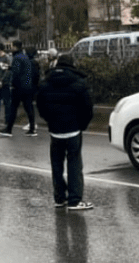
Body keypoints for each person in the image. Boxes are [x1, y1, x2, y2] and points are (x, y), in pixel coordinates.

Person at [35, 53, 94, 211]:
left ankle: (59, 198)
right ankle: (75, 200)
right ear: (72, 64)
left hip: (55, 130)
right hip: (73, 129)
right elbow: (87, 107)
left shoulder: (46, 81)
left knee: (56, 164)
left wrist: (50, 120)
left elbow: (40, 105)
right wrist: (82, 124)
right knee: (74, 164)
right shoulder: (79, 82)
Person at [0, 41, 38, 137]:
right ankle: (32, 129)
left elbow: (16, 73)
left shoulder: (16, 58)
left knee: (13, 108)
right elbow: (23, 70)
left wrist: (13, 84)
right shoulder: (25, 57)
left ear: (15, 47)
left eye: (11, 46)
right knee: (29, 108)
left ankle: (8, 129)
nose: (10, 48)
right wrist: (10, 67)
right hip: (27, 86)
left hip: (19, 87)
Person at [0, 44, 12, 124]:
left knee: (6, 102)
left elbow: (7, 71)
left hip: (4, 83)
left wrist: (2, 80)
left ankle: (7, 119)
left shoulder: (5, 58)